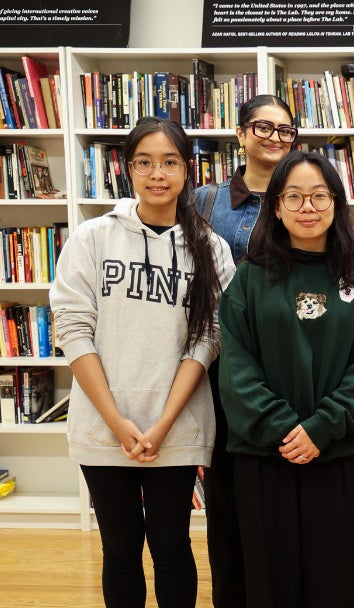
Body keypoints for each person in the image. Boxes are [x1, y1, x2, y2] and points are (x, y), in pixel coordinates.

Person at [50, 116, 235, 608]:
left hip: (177, 426)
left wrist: (163, 422)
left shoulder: (210, 248)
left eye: (170, 162)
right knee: (120, 549)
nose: (157, 174)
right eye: (145, 162)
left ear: (187, 170)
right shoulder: (92, 238)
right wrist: (116, 421)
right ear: (127, 168)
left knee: (172, 547)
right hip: (102, 427)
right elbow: (72, 328)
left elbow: (210, 339)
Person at [217, 150, 354, 607]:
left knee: (329, 583)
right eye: (293, 196)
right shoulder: (250, 278)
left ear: (336, 203)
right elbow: (236, 366)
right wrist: (284, 429)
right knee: (268, 585)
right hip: (264, 456)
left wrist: (320, 428)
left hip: (336, 454)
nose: (307, 207)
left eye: (319, 196)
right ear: (276, 206)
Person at [192, 93, 297, 608]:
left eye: (285, 130)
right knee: (227, 495)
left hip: (286, 370)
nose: (275, 137)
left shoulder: (301, 198)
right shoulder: (204, 202)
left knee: (280, 495)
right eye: (263, 127)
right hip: (217, 370)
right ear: (240, 134)